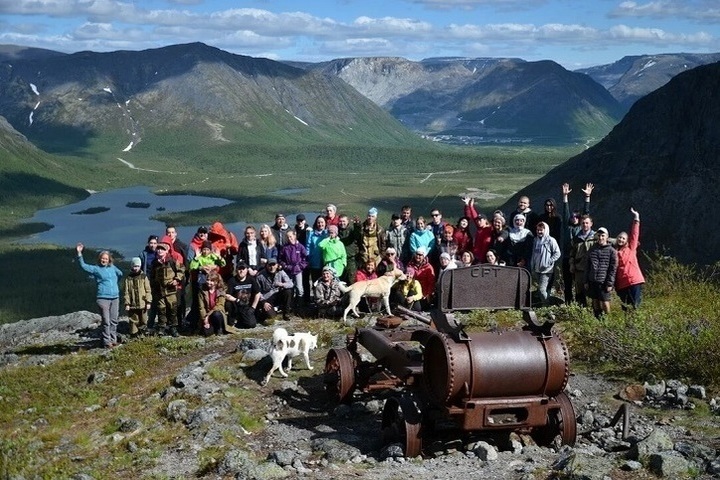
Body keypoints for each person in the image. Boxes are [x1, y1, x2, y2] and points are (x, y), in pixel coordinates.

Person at [76, 243, 123, 348]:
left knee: (114, 320)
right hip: (103, 298)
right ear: (99, 259)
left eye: (106, 259)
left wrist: (115, 285)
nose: (104, 260)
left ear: (109, 260)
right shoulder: (96, 269)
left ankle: (113, 339)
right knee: (106, 321)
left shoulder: (113, 268)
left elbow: (120, 274)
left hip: (115, 297)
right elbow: (83, 266)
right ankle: (107, 342)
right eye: (103, 258)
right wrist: (79, 253)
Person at [561, 183, 592, 304]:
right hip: (566, 258)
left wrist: (587, 198)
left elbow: (586, 214)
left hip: (579, 260)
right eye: (573, 216)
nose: (574, 218)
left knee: (579, 285)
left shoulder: (581, 229)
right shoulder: (567, 227)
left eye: (577, 217)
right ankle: (569, 305)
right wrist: (565, 197)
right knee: (568, 284)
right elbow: (565, 212)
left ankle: (581, 306)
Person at [150, 239, 186, 337]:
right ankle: (161, 327)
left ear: (166, 251)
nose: (160, 251)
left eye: (162, 249)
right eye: (158, 249)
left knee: (172, 309)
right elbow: (151, 276)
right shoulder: (154, 263)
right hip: (159, 291)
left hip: (170, 290)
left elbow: (182, 269)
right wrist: (153, 285)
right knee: (161, 309)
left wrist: (177, 279)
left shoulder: (172, 261)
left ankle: (173, 327)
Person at [614, 208, 645, 310]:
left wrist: (636, 218)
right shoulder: (613, 252)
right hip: (621, 284)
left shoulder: (631, 248)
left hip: (634, 281)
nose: (621, 239)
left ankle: (636, 325)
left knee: (635, 306)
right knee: (626, 308)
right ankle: (628, 326)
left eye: (623, 238)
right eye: (620, 237)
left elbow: (634, 235)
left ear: (626, 241)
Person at [585, 227, 618, 318]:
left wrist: (610, 283)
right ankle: (597, 319)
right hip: (592, 280)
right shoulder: (592, 249)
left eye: (603, 236)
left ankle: (607, 320)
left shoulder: (611, 251)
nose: (600, 238)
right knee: (595, 301)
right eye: (599, 236)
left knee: (605, 301)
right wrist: (586, 281)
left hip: (604, 281)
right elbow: (587, 266)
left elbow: (613, 269)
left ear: (607, 237)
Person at [530, 222, 561, 304]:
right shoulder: (535, 240)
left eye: (541, 230)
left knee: (541, 290)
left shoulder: (551, 240)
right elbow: (533, 254)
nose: (539, 232)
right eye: (537, 230)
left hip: (546, 270)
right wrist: (532, 266)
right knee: (539, 290)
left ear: (546, 230)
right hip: (537, 269)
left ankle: (547, 305)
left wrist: (549, 261)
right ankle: (543, 304)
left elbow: (557, 253)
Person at [569, 214, 596, 306]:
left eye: (587, 223)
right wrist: (572, 264)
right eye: (583, 223)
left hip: (592, 269)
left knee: (593, 292)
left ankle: (595, 313)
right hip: (579, 269)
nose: (585, 225)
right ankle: (581, 313)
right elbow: (572, 254)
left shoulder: (596, 237)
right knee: (579, 292)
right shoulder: (576, 239)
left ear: (591, 224)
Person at [225, 262, 261, 328]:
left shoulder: (251, 280)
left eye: (243, 269)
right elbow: (227, 295)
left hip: (247, 306)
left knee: (251, 324)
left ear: (247, 270)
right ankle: (232, 320)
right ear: (236, 270)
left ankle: (241, 320)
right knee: (228, 304)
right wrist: (237, 300)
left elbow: (257, 294)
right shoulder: (232, 280)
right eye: (239, 269)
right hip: (236, 305)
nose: (241, 271)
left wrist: (253, 307)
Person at [123, 257, 152, 338]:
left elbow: (148, 290)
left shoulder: (144, 277)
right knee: (133, 320)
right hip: (132, 304)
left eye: (137, 266)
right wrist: (127, 303)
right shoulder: (128, 278)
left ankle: (143, 334)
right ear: (131, 266)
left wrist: (148, 301)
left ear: (140, 267)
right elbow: (126, 292)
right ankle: (134, 335)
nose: (136, 268)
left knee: (143, 319)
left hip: (143, 303)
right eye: (134, 266)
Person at [278, 229, 308, 307]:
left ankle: (300, 306)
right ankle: (290, 305)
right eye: (287, 237)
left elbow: (305, 259)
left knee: (299, 288)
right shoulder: (285, 247)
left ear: (294, 236)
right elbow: (280, 259)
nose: (289, 238)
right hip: (288, 270)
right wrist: (285, 266)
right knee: (289, 288)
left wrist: (300, 266)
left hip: (298, 270)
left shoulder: (300, 247)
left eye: (291, 236)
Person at [306, 215, 329, 289]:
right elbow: (308, 247)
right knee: (315, 282)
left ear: (325, 223)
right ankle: (316, 298)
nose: (320, 224)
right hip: (314, 262)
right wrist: (308, 258)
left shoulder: (327, 234)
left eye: (322, 222)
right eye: (318, 222)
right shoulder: (311, 234)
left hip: (325, 261)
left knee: (326, 281)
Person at [338, 213, 360, 283]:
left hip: (351, 259)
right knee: (341, 280)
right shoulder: (337, 230)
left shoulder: (352, 229)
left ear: (348, 221)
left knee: (351, 279)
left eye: (344, 221)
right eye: (340, 221)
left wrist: (357, 225)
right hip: (340, 259)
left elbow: (357, 235)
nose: (342, 223)